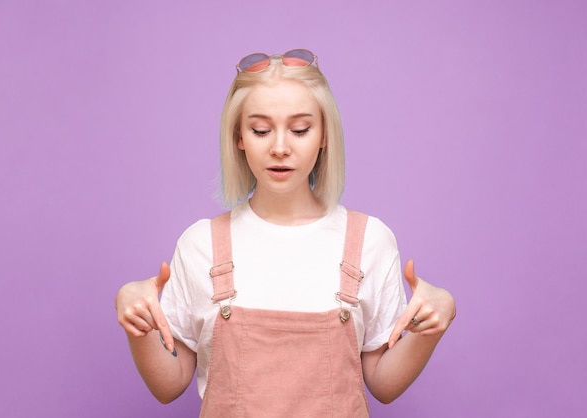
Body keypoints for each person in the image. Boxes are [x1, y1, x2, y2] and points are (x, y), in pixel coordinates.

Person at [115, 49, 456, 416]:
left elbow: (383, 385)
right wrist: (138, 325)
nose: (280, 147)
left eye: (300, 129)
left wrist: (430, 329)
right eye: (260, 130)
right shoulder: (201, 245)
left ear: (324, 134)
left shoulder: (369, 241)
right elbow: (168, 385)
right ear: (239, 137)